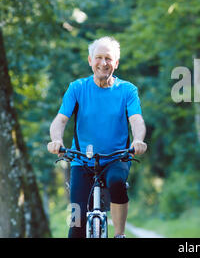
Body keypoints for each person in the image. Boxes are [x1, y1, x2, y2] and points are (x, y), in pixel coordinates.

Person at [47, 36, 147, 238]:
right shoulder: (77, 88)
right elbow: (60, 120)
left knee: (117, 182)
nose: (103, 63)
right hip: (81, 160)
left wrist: (138, 140)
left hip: (117, 158)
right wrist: (56, 139)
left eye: (108, 58)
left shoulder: (127, 90)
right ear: (90, 61)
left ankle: (119, 234)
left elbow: (136, 120)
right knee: (76, 225)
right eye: (99, 57)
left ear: (116, 63)